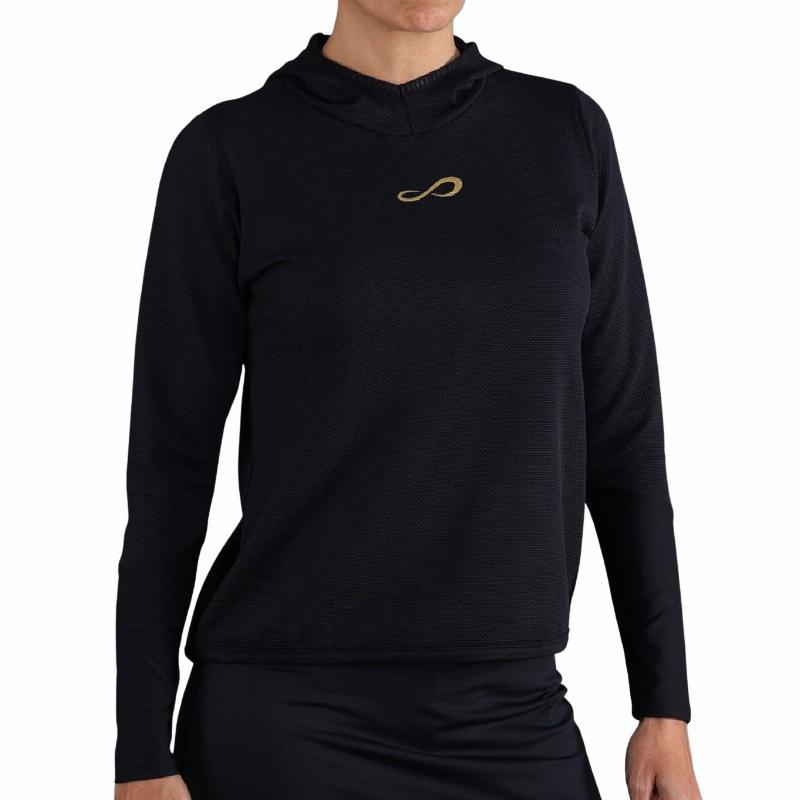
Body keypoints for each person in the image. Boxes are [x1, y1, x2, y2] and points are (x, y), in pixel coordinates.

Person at [115, 1, 702, 798]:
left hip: (512, 712)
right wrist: (141, 751)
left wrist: (664, 705)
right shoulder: (231, 150)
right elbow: (170, 469)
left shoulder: (564, 133)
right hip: (285, 716)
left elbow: (625, 434)